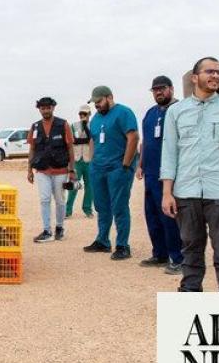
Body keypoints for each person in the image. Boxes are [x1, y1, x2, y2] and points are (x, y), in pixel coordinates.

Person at [161, 57, 219, 292]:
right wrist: (167, 194)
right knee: (190, 251)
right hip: (186, 191)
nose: (215, 76)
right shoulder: (176, 112)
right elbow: (169, 154)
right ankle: (190, 300)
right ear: (195, 78)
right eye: (210, 71)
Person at [83, 86, 139, 260]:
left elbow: (133, 137)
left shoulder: (124, 113)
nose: (97, 106)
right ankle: (103, 240)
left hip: (118, 168)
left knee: (119, 206)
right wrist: (91, 162)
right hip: (98, 168)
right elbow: (92, 140)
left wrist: (126, 164)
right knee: (101, 206)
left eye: (99, 101)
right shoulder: (95, 119)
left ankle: (123, 245)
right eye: (94, 103)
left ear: (109, 97)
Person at [136, 76, 184, 275]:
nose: (158, 92)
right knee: (152, 214)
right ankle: (160, 253)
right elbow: (145, 142)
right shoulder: (150, 113)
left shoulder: (181, 111)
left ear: (171, 89)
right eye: (155, 90)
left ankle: (178, 257)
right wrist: (141, 165)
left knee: (170, 216)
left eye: (162, 89)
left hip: (171, 174)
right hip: (150, 173)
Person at [27, 97, 75, 242]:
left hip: (60, 169)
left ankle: (59, 227)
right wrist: (29, 170)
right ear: (39, 109)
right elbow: (32, 149)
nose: (46, 110)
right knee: (44, 199)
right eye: (43, 108)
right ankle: (47, 230)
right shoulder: (35, 127)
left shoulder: (63, 124)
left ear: (53, 108)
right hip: (42, 170)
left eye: (48, 107)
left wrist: (71, 170)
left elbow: (70, 148)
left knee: (60, 200)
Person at [66, 104, 95, 218]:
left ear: (89, 114)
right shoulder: (73, 126)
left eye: (85, 114)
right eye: (80, 114)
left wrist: (85, 126)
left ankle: (87, 209)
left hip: (89, 160)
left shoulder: (93, 126)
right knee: (73, 185)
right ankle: (68, 211)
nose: (82, 116)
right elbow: (74, 141)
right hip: (77, 160)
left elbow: (91, 139)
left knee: (90, 186)